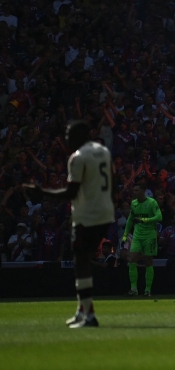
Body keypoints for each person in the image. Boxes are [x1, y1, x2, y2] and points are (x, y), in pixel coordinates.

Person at [23, 121, 114, 328]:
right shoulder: (103, 151)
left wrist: (41, 192)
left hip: (87, 214)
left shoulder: (78, 157)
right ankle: (82, 310)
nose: (66, 139)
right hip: (105, 212)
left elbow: (71, 193)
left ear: (78, 136)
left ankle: (89, 315)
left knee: (81, 260)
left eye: (68, 135)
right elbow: (113, 180)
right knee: (84, 257)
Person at [123, 184, 162, 296]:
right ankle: (134, 288)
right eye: (133, 190)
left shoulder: (152, 202)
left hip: (150, 235)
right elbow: (130, 220)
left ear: (143, 191)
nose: (134, 192)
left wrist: (144, 220)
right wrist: (125, 235)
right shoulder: (134, 203)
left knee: (148, 261)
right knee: (132, 259)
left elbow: (159, 217)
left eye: (136, 190)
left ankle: (147, 290)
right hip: (137, 236)